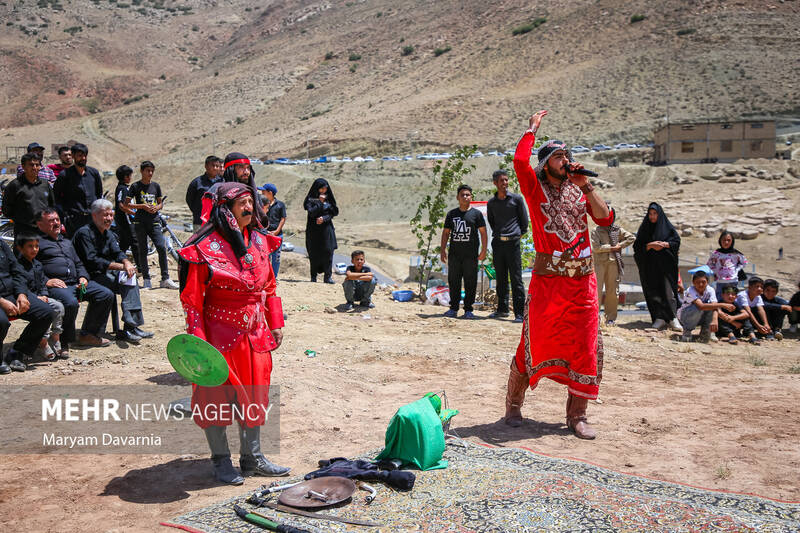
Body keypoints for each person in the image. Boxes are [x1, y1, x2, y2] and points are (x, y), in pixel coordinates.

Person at [504, 110, 615, 440]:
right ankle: (513, 405)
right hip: (549, 281)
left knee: (586, 345)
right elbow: (519, 163)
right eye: (557, 156)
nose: (565, 160)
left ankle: (577, 415)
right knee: (533, 341)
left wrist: (588, 185)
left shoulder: (580, 189)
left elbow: (605, 219)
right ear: (545, 163)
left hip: (582, 283)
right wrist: (531, 131)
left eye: (567, 155)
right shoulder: (535, 190)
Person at [179, 181, 289, 484]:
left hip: (255, 334)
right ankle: (220, 461)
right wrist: (198, 345)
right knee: (214, 396)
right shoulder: (204, 247)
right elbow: (192, 301)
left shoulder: (259, 241)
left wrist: (275, 322)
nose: (249, 207)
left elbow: (269, 287)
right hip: (218, 335)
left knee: (255, 394)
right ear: (224, 209)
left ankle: (252, 458)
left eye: (249, 201)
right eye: (241, 202)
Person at [35, 208, 114, 353]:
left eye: (57, 220)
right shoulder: (36, 243)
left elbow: (78, 263)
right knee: (70, 303)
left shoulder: (66, 242)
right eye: (51, 221)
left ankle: (88, 334)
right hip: (56, 286)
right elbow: (30, 268)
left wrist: (83, 277)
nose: (56, 223)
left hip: (75, 283)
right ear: (40, 225)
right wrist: (46, 281)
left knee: (106, 294)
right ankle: (64, 341)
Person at [73, 199, 152, 344]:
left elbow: (117, 252)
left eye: (111, 215)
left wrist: (127, 263)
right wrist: (120, 266)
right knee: (116, 282)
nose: (109, 219)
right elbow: (92, 261)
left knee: (130, 278)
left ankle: (130, 326)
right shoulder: (84, 234)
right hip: (87, 276)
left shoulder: (107, 233)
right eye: (105, 215)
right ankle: (124, 326)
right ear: (94, 215)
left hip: (105, 273)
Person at [0, 238, 53, 374]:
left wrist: (22, 294)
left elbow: (17, 271)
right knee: (1, 322)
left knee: (45, 312)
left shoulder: (1, 244)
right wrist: (1, 302)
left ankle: (17, 353)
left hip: (11, 292)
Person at [127, 161, 177, 289]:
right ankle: (146, 279)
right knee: (143, 250)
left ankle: (165, 278)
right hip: (140, 222)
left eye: (151, 171)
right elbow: (127, 204)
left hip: (154, 220)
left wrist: (156, 208)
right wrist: (142, 206)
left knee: (161, 246)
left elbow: (160, 203)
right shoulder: (135, 186)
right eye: (147, 171)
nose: (150, 173)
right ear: (142, 171)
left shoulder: (156, 186)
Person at [633, 203, 683, 332]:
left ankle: (673, 318)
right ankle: (659, 318)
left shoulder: (667, 228)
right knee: (654, 293)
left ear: (659, 214)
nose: (652, 216)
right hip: (650, 268)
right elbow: (637, 247)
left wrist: (665, 245)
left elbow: (676, 242)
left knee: (669, 293)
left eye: (655, 214)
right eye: (650, 214)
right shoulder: (644, 229)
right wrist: (650, 245)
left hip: (666, 268)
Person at [486, 169, 528, 322]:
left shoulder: (516, 199)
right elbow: (492, 221)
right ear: (495, 183)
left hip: (513, 244)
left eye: (506, 180)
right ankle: (502, 310)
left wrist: (516, 235)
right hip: (498, 244)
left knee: (516, 279)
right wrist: (500, 235)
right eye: (501, 181)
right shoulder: (492, 203)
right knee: (501, 278)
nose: (504, 183)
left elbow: (524, 223)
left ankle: (519, 314)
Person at [440, 184, 487, 319]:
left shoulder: (476, 214)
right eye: (463, 195)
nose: (465, 197)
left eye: (468, 195)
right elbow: (446, 233)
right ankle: (453, 308)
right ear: (457, 197)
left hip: (471, 255)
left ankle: (468, 310)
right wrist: (443, 250)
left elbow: (483, 233)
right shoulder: (452, 214)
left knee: (470, 282)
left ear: (471, 197)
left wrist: (483, 250)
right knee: (454, 281)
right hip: (454, 255)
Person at [14, 233, 64, 361]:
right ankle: (43, 342)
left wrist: (44, 295)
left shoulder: (38, 264)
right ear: (20, 248)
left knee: (58, 306)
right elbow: (21, 286)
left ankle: (56, 338)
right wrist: (37, 298)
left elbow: (42, 283)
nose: (35, 249)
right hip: (29, 299)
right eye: (30, 246)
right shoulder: (18, 266)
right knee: (45, 311)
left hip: (41, 296)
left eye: (36, 246)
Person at [53, 143, 103, 237]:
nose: (83, 158)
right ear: (73, 156)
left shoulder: (94, 173)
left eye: (85, 155)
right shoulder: (65, 175)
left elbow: (99, 194)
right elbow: (56, 197)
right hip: (73, 220)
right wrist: (65, 215)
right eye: (80, 155)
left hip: (92, 218)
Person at [591, 221, 635, 326]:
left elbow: (631, 238)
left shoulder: (617, 230)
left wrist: (620, 245)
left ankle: (610, 318)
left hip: (613, 263)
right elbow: (596, 247)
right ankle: (594, 318)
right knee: (596, 291)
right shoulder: (596, 230)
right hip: (599, 264)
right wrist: (611, 248)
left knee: (612, 291)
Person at [3, 152, 55, 237]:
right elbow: (7, 209)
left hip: (44, 230)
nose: (34, 168)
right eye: (31, 165)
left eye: (37, 165)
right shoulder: (15, 185)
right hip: (23, 231)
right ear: (23, 167)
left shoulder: (45, 184)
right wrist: (21, 219)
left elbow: (52, 204)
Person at [677, 271, 734, 342]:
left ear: (707, 282)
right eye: (697, 282)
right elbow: (701, 306)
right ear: (693, 283)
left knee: (711, 308)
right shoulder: (690, 290)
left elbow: (714, 305)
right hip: (685, 317)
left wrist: (715, 320)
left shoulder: (710, 290)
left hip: (699, 317)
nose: (701, 284)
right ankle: (687, 332)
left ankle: (705, 333)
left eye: (703, 282)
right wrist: (723, 305)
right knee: (697, 307)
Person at [303, 178, 339, 283]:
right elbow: (311, 212)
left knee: (328, 251)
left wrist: (324, 218)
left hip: (326, 230)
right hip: (313, 231)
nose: (324, 191)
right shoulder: (310, 199)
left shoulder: (329, 199)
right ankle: (313, 277)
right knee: (313, 252)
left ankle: (328, 277)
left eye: (325, 189)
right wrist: (320, 202)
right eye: (321, 189)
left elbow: (334, 212)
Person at [186, 155, 223, 232]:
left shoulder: (222, 182)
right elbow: (189, 199)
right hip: (200, 222)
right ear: (206, 166)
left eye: (217, 166)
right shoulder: (197, 183)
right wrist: (198, 211)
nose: (215, 168)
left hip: (218, 221)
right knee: (199, 242)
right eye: (213, 165)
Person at [706, 231, 748, 299]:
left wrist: (737, 270)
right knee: (719, 299)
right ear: (720, 241)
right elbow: (709, 264)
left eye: (728, 240)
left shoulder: (736, 254)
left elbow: (744, 262)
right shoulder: (716, 253)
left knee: (731, 299)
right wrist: (716, 271)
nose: (726, 242)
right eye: (724, 240)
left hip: (733, 281)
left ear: (732, 241)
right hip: (720, 281)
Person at [259, 183, 286, 277]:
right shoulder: (262, 204)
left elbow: (283, 218)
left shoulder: (280, 205)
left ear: (270, 193)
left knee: (276, 258)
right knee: (265, 257)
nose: (262, 193)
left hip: (277, 235)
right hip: (265, 234)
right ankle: (265, 276)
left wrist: (277, 231)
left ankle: (274, 277)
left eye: (263, 191)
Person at [112, 165, 139, 262]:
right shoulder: (122, 188)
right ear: (125, 177)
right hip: (125, 220)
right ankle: (140, 268)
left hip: (123, 220)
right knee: (135, 242)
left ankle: (118, 261)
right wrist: (134, 213)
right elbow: (121, 205)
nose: (130, 178)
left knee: (124, 243)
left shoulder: (124, 188)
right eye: (129, 176)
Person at [735, 276, 770, 341]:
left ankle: (768, 331)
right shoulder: (743, 295)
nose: (760, 289)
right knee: (746, 315)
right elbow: (748, 312)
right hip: (737, 314)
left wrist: (766, 324)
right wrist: (758, 326)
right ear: (749, 287)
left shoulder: (758, 297)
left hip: (747, 314)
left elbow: (761, 310)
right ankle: (751, 334)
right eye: (757, 286)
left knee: (765, 311)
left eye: (761, 287)